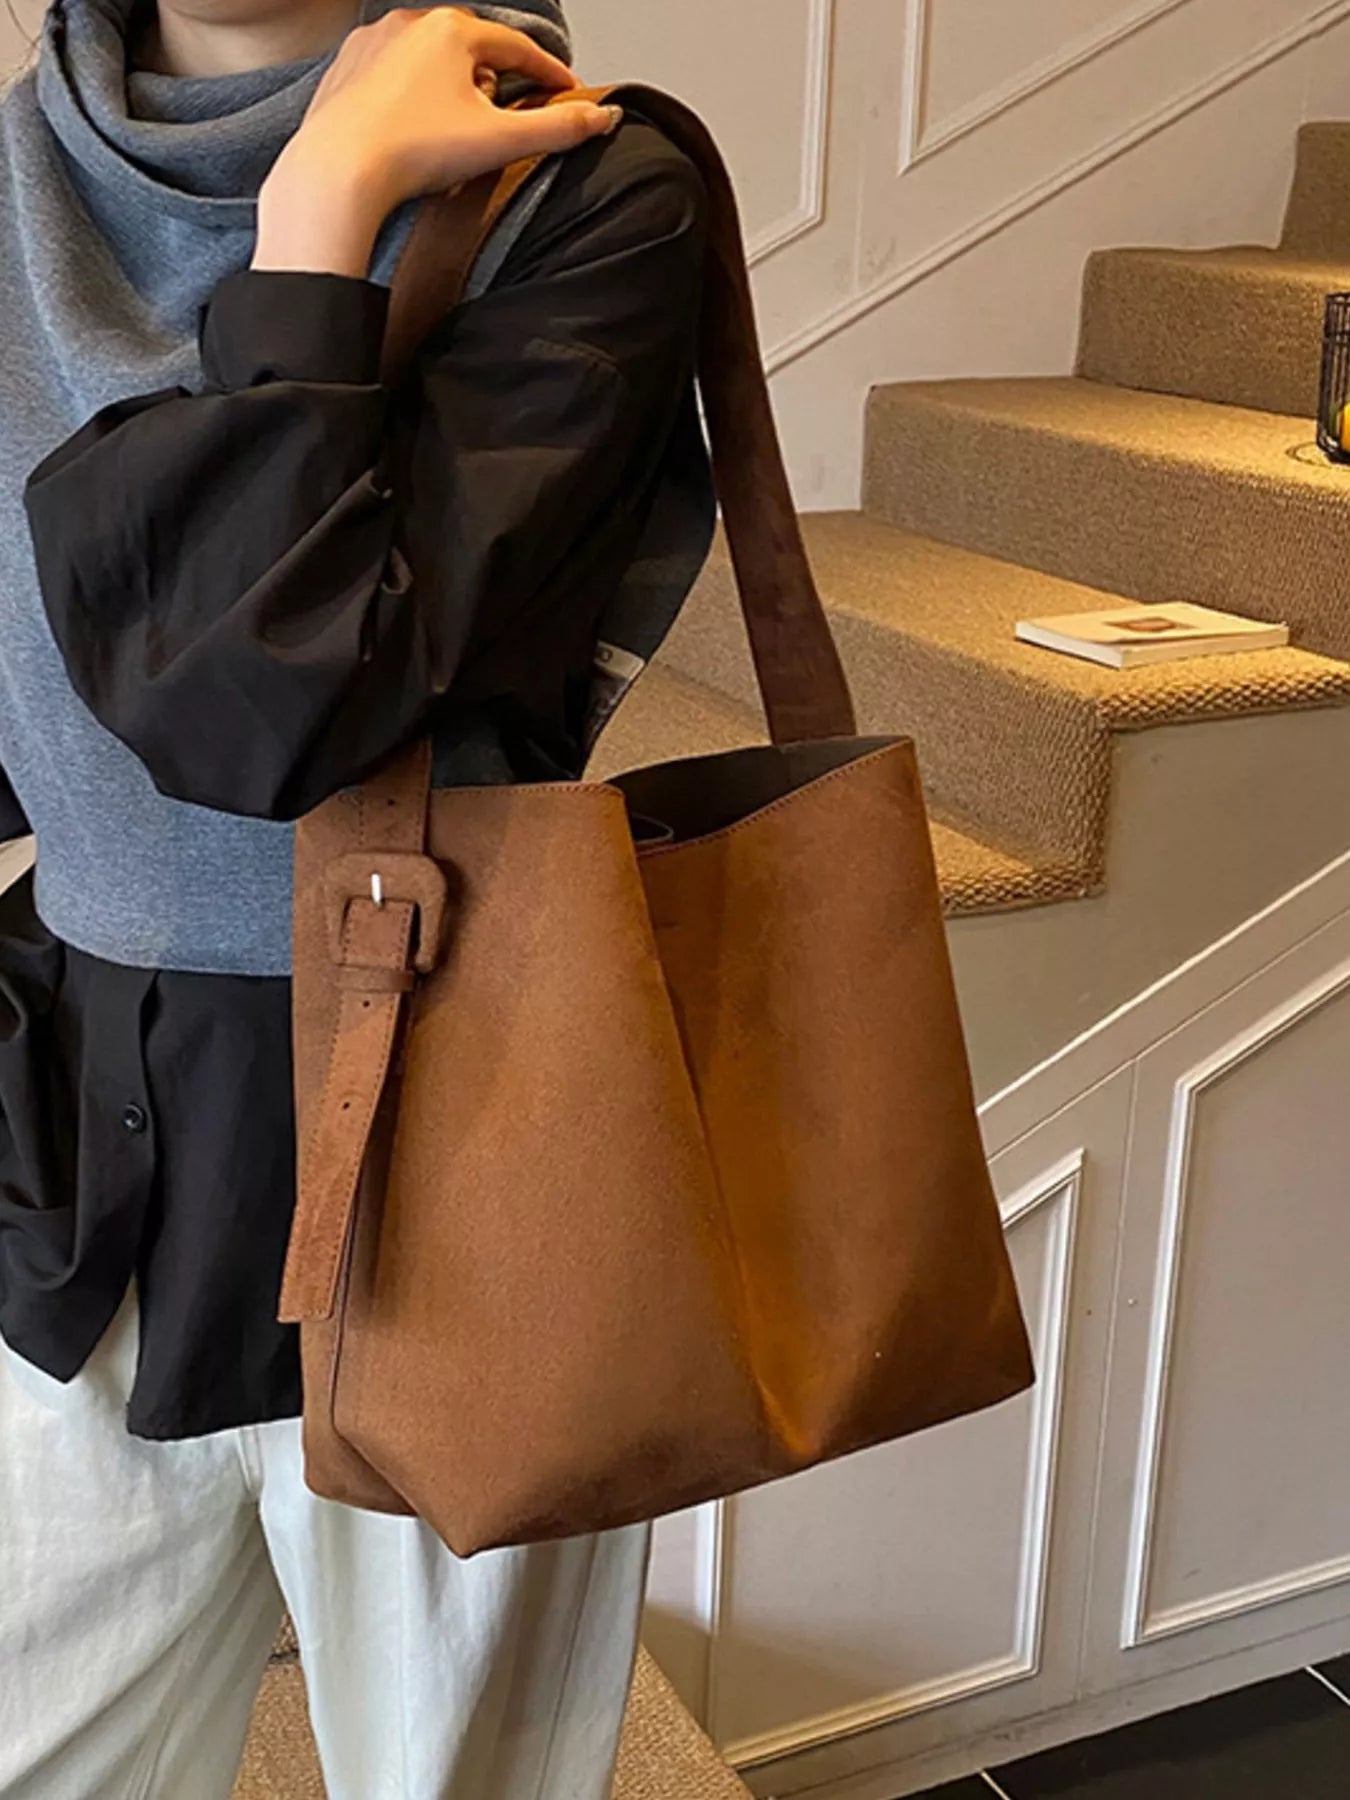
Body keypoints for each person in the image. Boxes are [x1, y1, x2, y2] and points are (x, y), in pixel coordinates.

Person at [0, 1, 716, 1794]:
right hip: (75, 1122)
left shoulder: (580, 181)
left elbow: (281, 702)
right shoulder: (7, 184)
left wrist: (319, 221)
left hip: (462, 1140)